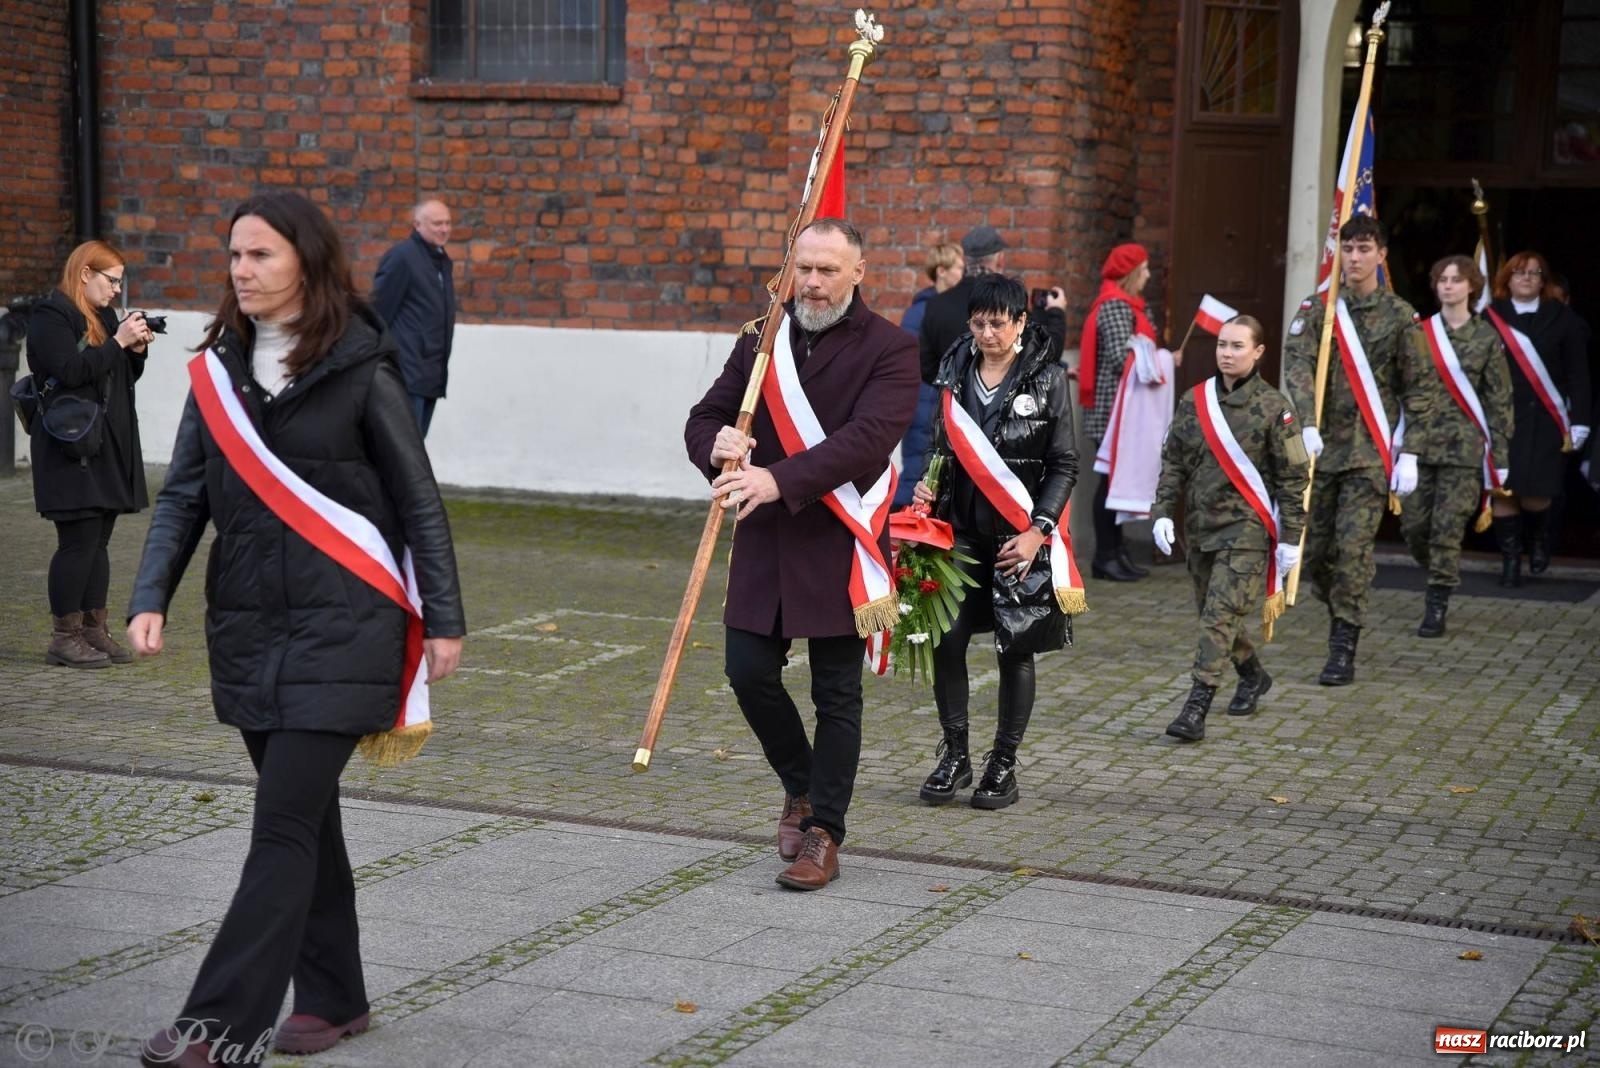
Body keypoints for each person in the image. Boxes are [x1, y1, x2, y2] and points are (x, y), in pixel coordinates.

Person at [128, 192, 465, 1068]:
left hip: (347, 627)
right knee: (309, 820)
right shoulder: (218, 372)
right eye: (235, 255)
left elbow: (418, 499)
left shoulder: (362, 367)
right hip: (248, 628)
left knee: (280, 826)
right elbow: (185, 495)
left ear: (307, 263)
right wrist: (150, 592)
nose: (242, 270)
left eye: (262, 255)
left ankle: (217, 1027)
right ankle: (336, 997)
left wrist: (445, 620)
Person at [684, 218, 918, 892]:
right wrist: (716, 445)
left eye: (826, 270)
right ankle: (801, 784)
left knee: (835, 693)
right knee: (747, 671)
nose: (811, 283)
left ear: (858, 272)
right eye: (804, 269)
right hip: (766, 539)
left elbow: (868, 439)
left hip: (838, 538)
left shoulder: (892, 348)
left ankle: (825, 834)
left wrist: (778, 480)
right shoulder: (762, 339)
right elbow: (705, 416)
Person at [912, 273, 1078, 807]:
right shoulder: (954, 369)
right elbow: (940, 446)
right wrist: (928, 484)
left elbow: (1064, 464)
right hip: (959, 533)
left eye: (998, 324)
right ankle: (955, 755)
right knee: (946, 638)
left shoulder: (1049, 379)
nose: (987, 334)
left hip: (1017, 539)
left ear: (1021, 322)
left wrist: (1037, 530)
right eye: (979, 324)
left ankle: (1003, 763)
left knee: (1015, 647)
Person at [1282, 215, 1429, 685]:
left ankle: (1343, 645)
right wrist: (1306, 424)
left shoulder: (1399, 316)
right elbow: (1297, 366)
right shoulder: (1318, 309)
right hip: (1321, 453)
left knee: (1352, 551)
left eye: (1365, 249)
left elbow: (1419, 387)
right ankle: (1341, 608)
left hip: (1368, 455)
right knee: (1317, 554)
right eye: (1348, 249)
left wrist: (1412, 452)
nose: (1355, 258)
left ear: (1381, 255)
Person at [1151, 315, 1308, 741]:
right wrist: (1162, 511)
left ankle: (1196, 707)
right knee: (1214, 615)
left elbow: (1294, 479)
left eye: (1238, 346)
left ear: (1258, 352)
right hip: (1201, 527)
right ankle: (1253, 675)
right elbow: (1174, 462)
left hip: (1247, 531)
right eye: (1222, 344)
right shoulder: (1195, 400)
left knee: (1218, 618)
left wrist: (1291, 538)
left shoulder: (1276, 408)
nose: (1227, 353)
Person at [25, 240, 155, 668]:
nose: (116, 290)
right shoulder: (51, 315)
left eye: (119, 282)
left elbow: (115, 374)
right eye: (111, 280)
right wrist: (118, 342)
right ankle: (65, 637)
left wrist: (136, 351)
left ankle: (94, 629)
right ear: (85, 274)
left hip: (103, 444)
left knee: (98, 541)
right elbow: (71, 371)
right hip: (69, 444)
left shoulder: (104, 316)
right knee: (77, 542)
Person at [1398, 256, 1512, 633]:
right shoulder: (1418, 333)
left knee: (1447, 529)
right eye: (1442, 279)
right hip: (1417, 446)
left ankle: (1437, 603)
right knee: (1415, 527)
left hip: (1463, 450)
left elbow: (1499, 399)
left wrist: (1500, 455)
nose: (1448, 286)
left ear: (1472, 287)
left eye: (1456, 280)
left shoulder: (1486, 338)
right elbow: (1399, 386)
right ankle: (1439, 572)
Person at [1486, 251, 1591, 583]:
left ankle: (1539, 540)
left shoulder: (1562, 318)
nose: (1526, 278)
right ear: (1507, 280)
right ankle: (1510, 561)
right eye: (1519, 273)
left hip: (1547, 420)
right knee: (1503, 489)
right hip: (1503, 419)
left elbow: (1578, 374)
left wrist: (1581, 421)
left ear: (1543, 281)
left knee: (1536, 493)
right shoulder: (1490, 316)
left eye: (1534, 273)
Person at [1079, 242, 1159, 582]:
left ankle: (1117, 551)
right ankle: (1105, 556)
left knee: (1117, 482)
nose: (1148, 275)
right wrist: (1159, 359)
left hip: (1127, 411)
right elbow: (1117, 356)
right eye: (1144, 269)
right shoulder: (1114, 306)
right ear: (1130, 273)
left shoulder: (1132, 305)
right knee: (1109, 484)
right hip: (1112, 412)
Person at [918, 225, 1068, 387]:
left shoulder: (935, 304)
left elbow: (927, 367)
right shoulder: (1006, 304)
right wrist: (1056, 312)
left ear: (965, 260)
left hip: (954, 399)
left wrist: (956, 390)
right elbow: (1046, 352)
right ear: (1000, 260)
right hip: (1003, 397)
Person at [371, 198, 456, 437]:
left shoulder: (441, 261)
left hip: (431, 373)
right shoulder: (403, 258)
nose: (444, 229)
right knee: (404, 446)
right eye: (437, 223)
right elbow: (378, 312)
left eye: (448, 223)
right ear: (418, 225)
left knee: (415, 444)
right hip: (407, 373)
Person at [895, 243, 963, 508]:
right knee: (917, 472)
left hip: (934, 400)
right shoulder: (921, 311)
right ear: (942, 271)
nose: (962, 273)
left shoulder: (941, 308)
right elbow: (907, 361)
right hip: (922, 401)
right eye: (958, 267)